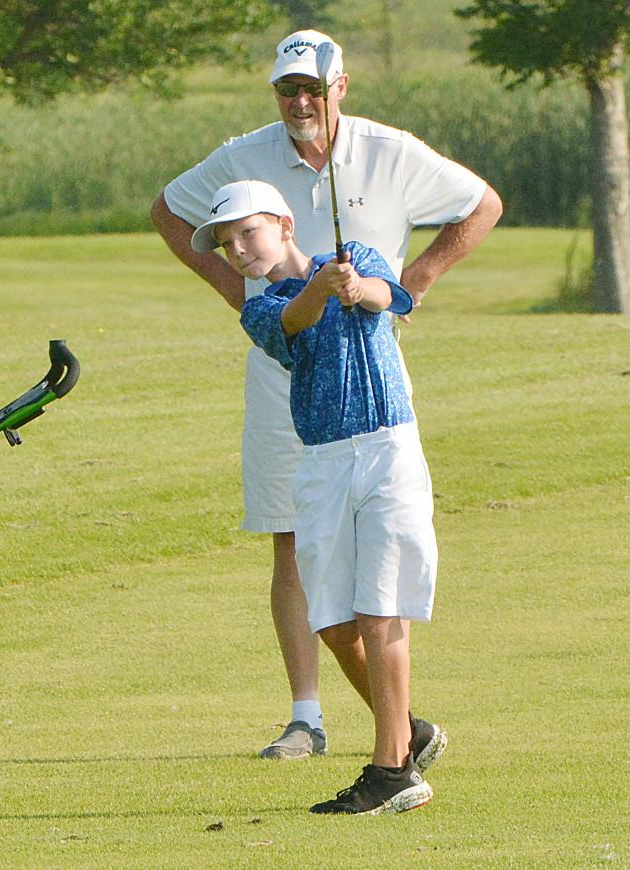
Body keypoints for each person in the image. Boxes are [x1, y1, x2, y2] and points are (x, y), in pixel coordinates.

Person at [150, 29, 502, 760]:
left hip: (371, 390)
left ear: (340, 85)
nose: (299, 101)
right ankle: (308, 716)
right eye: (287, 89)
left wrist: (408, 289)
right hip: (281, 378)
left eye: (312, 88)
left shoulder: (390, 150)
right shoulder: (242, 156)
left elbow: (480, 206)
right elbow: (169, 213)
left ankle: (394, 741)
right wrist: (240, 290)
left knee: (375, 582)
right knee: (294, 544)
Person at [200, 178, 439, 814]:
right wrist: (321, 288)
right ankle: (407, 729)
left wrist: (358, 288)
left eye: (247, 233)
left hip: (388, 446)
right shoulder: (261, 306)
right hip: (324, 462)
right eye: (226, 244)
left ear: (283, 223)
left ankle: (393, 768)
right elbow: (292, 321)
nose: (239, 251)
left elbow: (397, 297)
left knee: (381, 605)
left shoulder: (354, 257)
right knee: (333, 623)